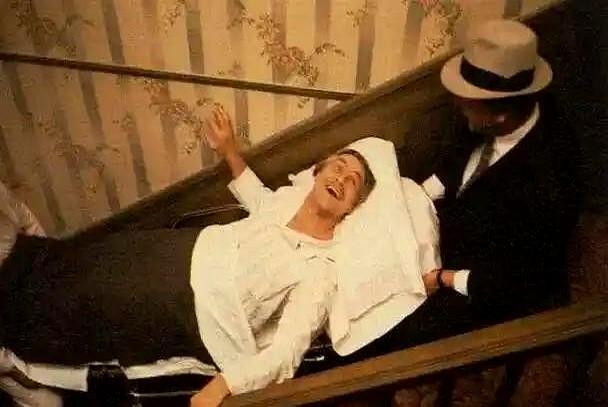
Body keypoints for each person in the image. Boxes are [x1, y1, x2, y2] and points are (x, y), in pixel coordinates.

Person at [0, 105, 377, 407]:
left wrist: (224, 385)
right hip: (183, 248)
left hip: (193, 306)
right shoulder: (285, 201)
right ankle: (16, 268)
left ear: (350, 208)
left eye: (352, 182)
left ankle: (13, 337)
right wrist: (228, 149)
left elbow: (286, 353)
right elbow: (256, 196)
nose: (340, 178)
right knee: (92, 260)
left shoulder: (320, 272)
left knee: (91, 302)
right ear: (318, 171)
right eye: (338, 167)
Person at [336, 19, 581, 364]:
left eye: (467, 104)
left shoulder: (553, 179)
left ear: (500, 115)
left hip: (487, 282)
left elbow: (522, 278)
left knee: (390, 329)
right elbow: (454, 163)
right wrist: (406, 200)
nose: (457, 105)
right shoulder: (483, 117)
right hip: (449, 231)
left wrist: (444, 278)